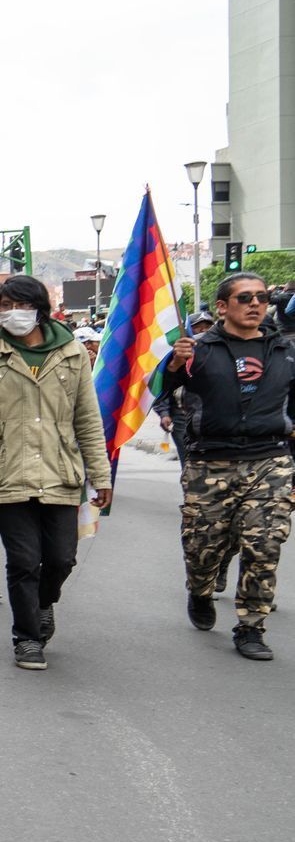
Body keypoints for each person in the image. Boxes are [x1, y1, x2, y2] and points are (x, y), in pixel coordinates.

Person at [0, 274, 111, 670]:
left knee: (60, 559)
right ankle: (27, 637)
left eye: (18, 305)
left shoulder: (73, 354)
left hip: (61, 473)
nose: (10, 313)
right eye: (2, 307)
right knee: (23, 561)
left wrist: (101, 476)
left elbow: (88, 420)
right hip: (9, 473)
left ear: (38, 309)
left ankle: (44, 602)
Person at [160, 271, 295, 660]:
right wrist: (173, 365)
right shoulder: (196, 349)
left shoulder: (284, 351)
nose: (255, 304)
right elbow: (157, 392)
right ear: (222, 307)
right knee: (202, 546)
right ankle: (200, 590)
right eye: (245, 298)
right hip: (210, 464)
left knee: (265, 545)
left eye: (261, 298)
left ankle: (251, 626)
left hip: (269, 460)